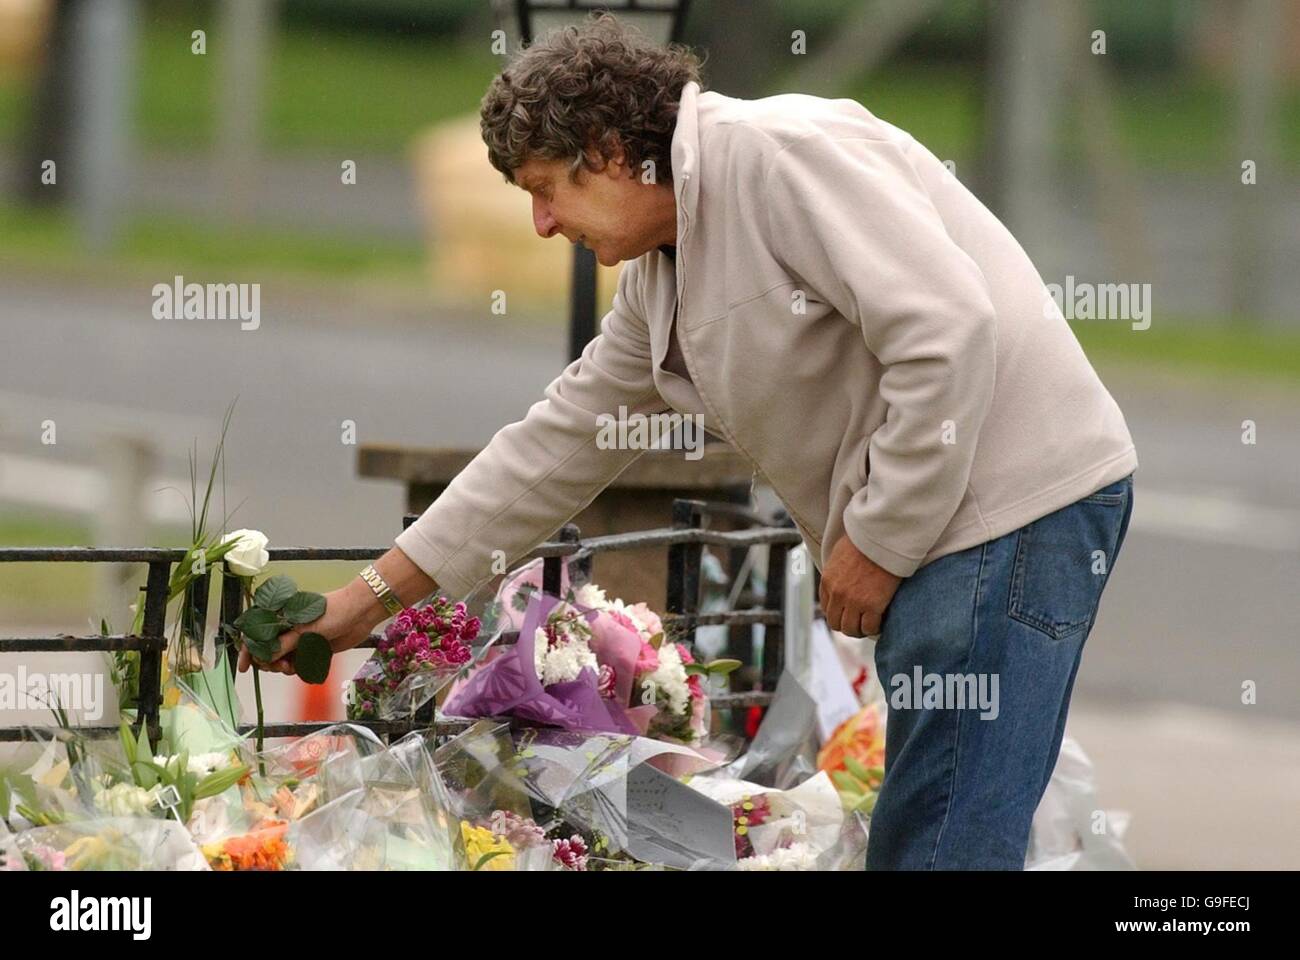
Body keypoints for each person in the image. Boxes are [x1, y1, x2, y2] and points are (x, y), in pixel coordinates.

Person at [239, 14, 1137, 870]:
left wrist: (881, 538)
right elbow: (554, 446)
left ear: (607, 153)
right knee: (930, 830)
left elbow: (947, 328)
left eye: (547, 190)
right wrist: (365, 602)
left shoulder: (777, 157)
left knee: (941, 843)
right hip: (961, 526)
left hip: (1011, 510)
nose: (543, 225)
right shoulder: (665, 269)